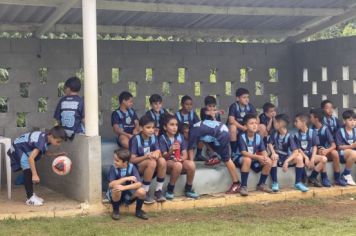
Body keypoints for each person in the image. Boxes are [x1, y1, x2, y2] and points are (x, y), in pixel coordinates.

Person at [8, 126, 66, 206]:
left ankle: (31, 194)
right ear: (52, 136)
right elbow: (31, 158)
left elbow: (42, 151)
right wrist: (35, 175)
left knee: (29, 169)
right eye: (58, 141)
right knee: (28, 171)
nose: (59, 144)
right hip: (17, 148)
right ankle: (30, 198)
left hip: (19, 147)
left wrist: (55, 155)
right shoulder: (42, 141)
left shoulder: (46, 137)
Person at [187, 115, 241, 194]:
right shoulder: (197, 126)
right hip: (222, 129)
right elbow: (203, 138)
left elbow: (190, 149)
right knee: (204, 138)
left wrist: (191, 164)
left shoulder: (192, 131)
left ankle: (236, 183)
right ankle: (215, 156)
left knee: (227, 159)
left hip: (221, 134)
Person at [159, 114, 199, 200]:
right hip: (168, 162)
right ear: (165, 127)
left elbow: (185, 153)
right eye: (171, 125)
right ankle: (170, 189)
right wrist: (170, 151)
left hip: (178, 160)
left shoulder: (180, 136)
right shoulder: (162, 138)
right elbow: (163, 157)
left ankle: (188, 188)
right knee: (178, 165)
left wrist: (182, 158)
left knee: (191, 164)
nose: (174, 127)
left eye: (176, 125)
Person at [129, 115, 166, 204]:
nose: (151, 130)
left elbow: (158, 150)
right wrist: (146, 156)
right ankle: (145, 191)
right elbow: (132, 160)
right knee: (152, 162)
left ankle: (158, 190)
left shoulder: (153, 137)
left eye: (153, 127)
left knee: (162, 161)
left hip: (150, 167)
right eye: (148, 127)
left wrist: (157, 152)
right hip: (137, 168)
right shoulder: (135, 139)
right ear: (141, 128)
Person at [268, 114, 309, 192]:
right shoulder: (274, 133)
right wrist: (273, 152)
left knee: (299, 157)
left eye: (276, 122)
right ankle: (275, 182)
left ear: (281, 123)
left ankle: (298, 183)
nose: (274, 124)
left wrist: (287, 161)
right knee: (274, 158)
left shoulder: (289, 136)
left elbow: (295, 151)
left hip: (286, 157)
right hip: (278, 157)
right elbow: (270, 144)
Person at [234, 114, 272, 196]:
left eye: (256, 123)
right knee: (247, 159)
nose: (254, 125)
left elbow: (263, 150)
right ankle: (243, 186)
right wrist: (258, 157)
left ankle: (261, 184)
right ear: (245, 126)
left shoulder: (258, 137)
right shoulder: (241, 136)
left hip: (253, 158)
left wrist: (265, 157)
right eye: (251, 123)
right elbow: (243, 153)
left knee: (268, 161)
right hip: (239, 158)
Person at [106, 148, 148, 220]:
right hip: (115, 195)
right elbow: (111, 185)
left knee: (142, 191)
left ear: (125, 162)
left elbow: (139, 184)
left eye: (117, 160)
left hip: (128, 194)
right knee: (117, 187)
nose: (114, 162)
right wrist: (125, 179)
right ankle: (116, 211)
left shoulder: (132, 167)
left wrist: (124, 188)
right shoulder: (113, 168)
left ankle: (138, 211)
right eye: (114, 159)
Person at [310, 108, 346, 186]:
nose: (310, 119)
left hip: (326, 151)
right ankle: (324, 177)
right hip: (316, 152)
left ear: (316, 118)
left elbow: (333, 145)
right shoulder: (311, 130)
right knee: (321, 151)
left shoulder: (325, 129)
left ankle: (337, 177)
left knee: (335, 153)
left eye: (311, 117)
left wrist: (327, 150)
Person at [293, 113, 329, 187]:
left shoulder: (313, 132)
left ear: (303, 122)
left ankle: (312, 177)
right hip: (302, 156)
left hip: (311, 155)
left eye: (297, 121)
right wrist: (305, 157)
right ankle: (304, 178)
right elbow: (298, 149)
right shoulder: (296, 135)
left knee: (324, 159)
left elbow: (315, 146)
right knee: (299, 157)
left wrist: (312, 159)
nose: (295, 123)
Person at [228, 88, 256, 157]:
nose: (247, 99)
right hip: (238, 127)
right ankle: (233, 152)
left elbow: (256, 119)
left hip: (247, 127)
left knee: (261, 127)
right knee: (232, 127)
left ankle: (257, 150)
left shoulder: (250, 106)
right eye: (244, 97)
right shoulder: (234, 106)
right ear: (237, 98)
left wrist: (252, 126)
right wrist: (243, 128)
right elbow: (231, 120)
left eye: (247, 97)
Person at [198, 96, 222, 165]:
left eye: (213, 106)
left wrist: (214, 116)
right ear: (206, 106)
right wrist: (212, 114)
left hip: (215, 131)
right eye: (209, 106)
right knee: (202, 136)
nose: (212, 108)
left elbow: (218, 124)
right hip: (206, 130)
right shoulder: (203, 110)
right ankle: (200, 154)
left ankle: (215, 155)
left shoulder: (216, 113)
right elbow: (205, 118)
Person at [335, 110, 356, 185]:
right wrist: (351, 146)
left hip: (353, 155)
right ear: (344, 121)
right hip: (342, 154)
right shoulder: (340, 131)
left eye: (354, 120)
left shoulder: (355, 131)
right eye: (350, 120)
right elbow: (339, 147)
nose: (353, 122)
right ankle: (346, 174)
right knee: (353, 153)